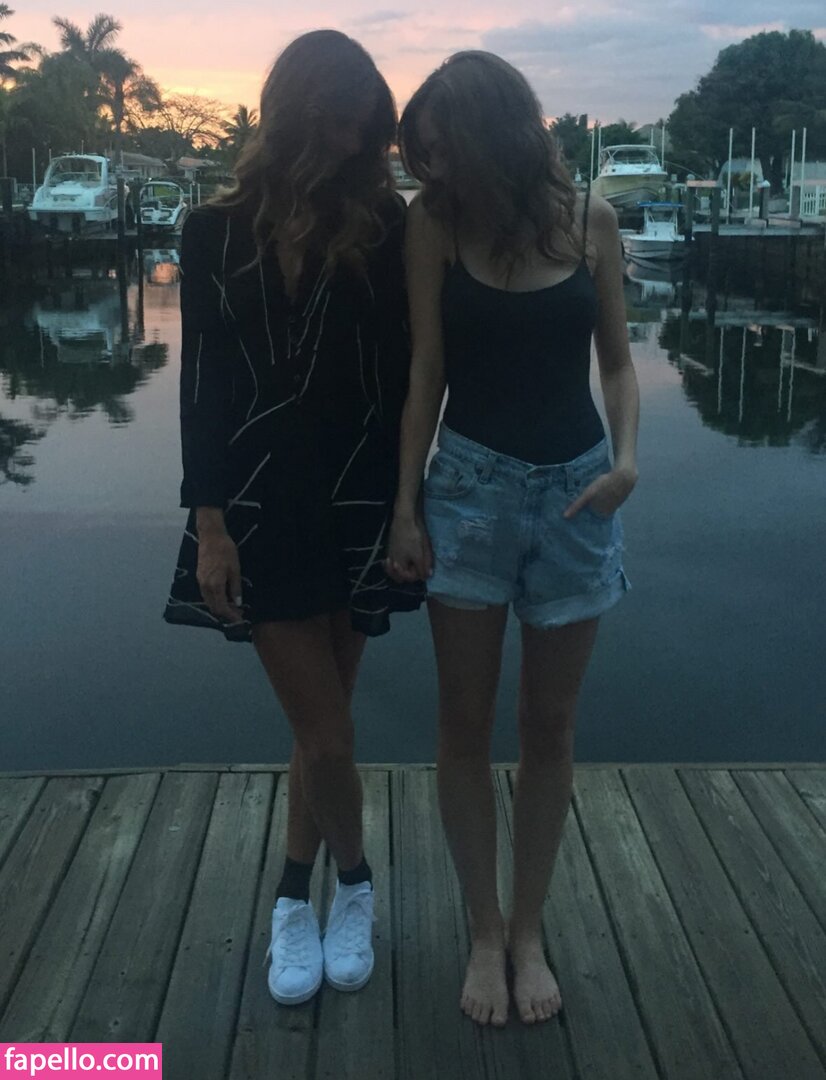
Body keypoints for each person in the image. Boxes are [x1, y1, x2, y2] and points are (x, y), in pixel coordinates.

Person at [163, 30, 422, 1007]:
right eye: (340, 120)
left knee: (325, 727)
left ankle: (291, 892)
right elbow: (200, 386)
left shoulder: (386, 226)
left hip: (359, 496)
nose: (353, 141)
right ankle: (350, 884)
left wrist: (407, 505)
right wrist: (209, 523)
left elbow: (408, 379)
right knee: (329, 733)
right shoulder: (211, 231)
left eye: (365, 127)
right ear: (295, 112)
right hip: (257, 502)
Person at [386, 52, 639, 1028]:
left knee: (550, 726)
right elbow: (425, 372)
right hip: (467, 492)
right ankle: (483, 928)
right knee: (462, 723)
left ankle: (528, 927)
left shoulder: (591, 223)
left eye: (443, 149)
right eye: (422, 155)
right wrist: (405, 507)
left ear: (493, 133)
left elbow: (617, 364)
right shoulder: (433, 225)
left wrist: (628, 460)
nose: (431, 169)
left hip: (579, 495)